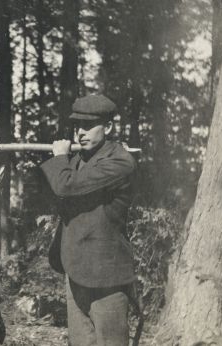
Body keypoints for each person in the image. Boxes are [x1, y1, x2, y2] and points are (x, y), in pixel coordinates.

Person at [40, 94, 137, 346]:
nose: (80, 132)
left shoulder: (119, 162)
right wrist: (64, 160)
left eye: (88, 125)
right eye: (76, 126)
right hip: (76, 268)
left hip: (107, 275)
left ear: (109, 127)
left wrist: (59, 157)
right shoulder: (78, 160)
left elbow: (65, 187)